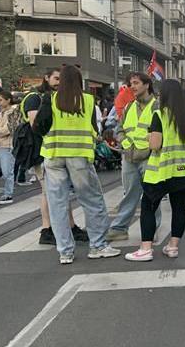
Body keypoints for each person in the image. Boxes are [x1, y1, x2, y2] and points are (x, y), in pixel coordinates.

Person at [34, 65, 120, 264]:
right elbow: (93, 129)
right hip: (79, 157)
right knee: (92, 201)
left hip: (54, 157)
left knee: (57, 204)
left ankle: (65, 251)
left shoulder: (50, 99)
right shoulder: (88, 101)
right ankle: (98, 246)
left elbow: (39, 126)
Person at [125, 80, 185, 261]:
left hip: (161, 172)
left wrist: (149, 136)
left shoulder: (159, 115)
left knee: (148, 207)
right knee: (178, 208)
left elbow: (155, 145)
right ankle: (173, 247)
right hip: (184, 171)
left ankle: (145, 249)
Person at [17, 69, 88, 245]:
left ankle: (67, 226)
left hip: (53, 150)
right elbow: (36, 125)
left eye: (61, 79)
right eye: (56, 78)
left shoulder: (54, 96)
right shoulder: (35, 97)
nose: (59, 82)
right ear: (46, 78)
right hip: (42, 151)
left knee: (56, 191)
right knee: (49, 191)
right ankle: (47, 229)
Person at [106, 72, 160, 241]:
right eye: (130, 84)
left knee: (151, 194)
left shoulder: (157, 106)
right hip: (129, 157)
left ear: (147, 85)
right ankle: (120, 228)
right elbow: (119, 129)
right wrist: (124, 142)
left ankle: (152, 229)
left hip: (149, 156)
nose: (132, 87)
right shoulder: (129, 106)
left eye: (136, 83)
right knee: (129, 193)